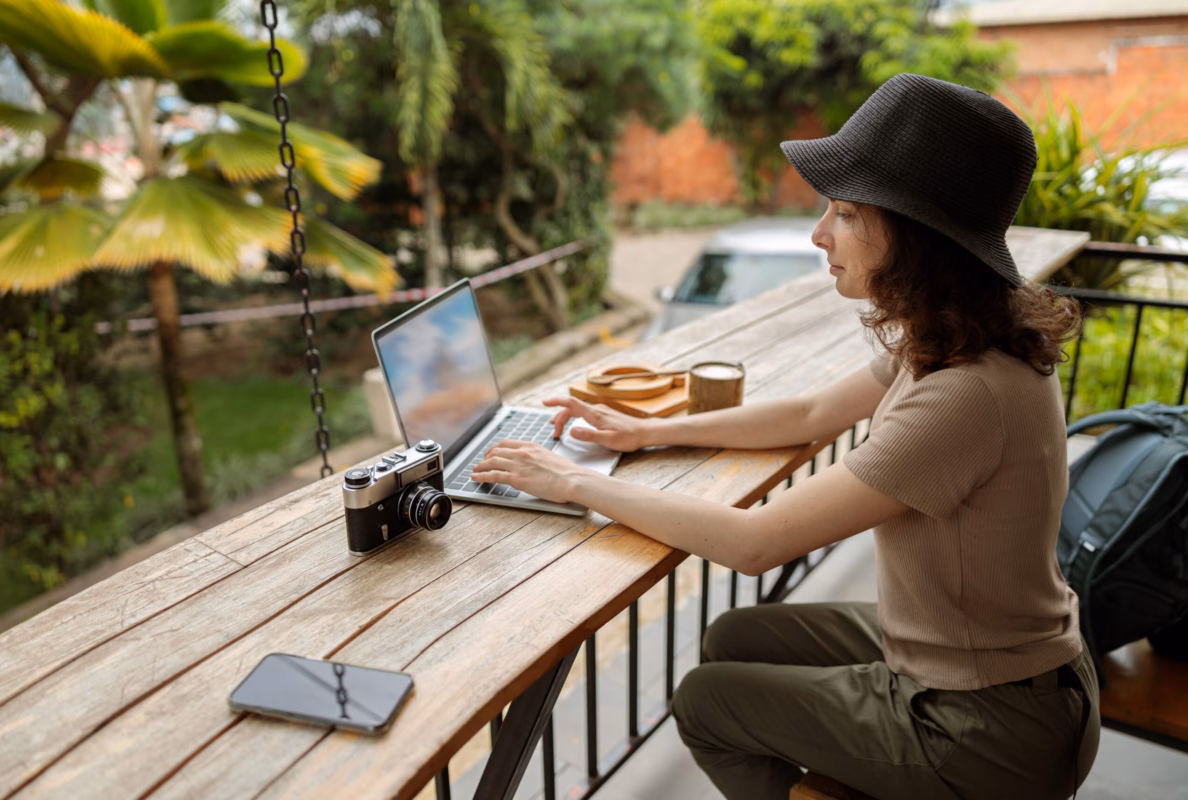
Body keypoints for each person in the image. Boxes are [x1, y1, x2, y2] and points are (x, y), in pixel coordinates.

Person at [471, 73, 1099, 799]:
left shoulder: (967, 392)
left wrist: (575, 481)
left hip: (988, 727)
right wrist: (649, 430)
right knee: (734, 639)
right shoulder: (954, 330)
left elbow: (757, 543)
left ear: (915, 236)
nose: (818, 234)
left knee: (707, 699)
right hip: (990, 661)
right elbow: (807, 416)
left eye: (844, 212)